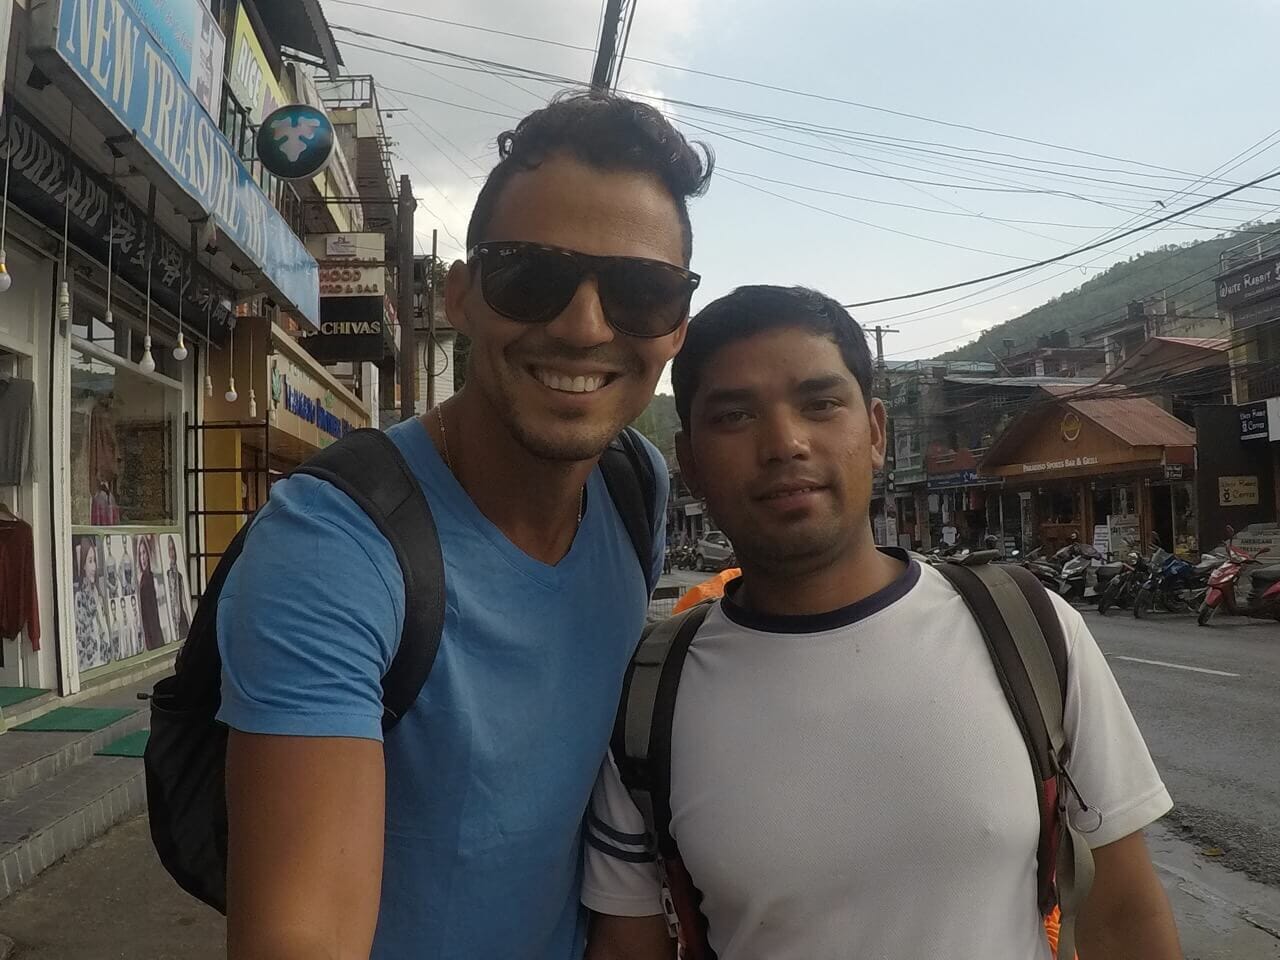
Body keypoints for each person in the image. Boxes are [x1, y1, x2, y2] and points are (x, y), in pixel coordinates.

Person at [217, 91, 711, 960]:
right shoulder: (333, 548)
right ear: (462, 296)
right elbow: (300, 933)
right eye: (532, 278)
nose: (584, 326)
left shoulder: (638, 485)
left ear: (675, 327)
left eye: (640, 291)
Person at [584, 286, 1181, 960]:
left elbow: (1123, 916)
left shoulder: (1028, 628)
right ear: (688, 462)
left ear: (873, 432)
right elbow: (627, 947)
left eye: (820, 404)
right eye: (735, 415)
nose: (785, 443)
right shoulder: (647, 697)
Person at [135, 536, 165, 651]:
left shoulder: (153, 579)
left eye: (144, 553)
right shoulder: (141, 581)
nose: (143, 558)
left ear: (148, 554)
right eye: (140, 554)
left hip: (156, 632)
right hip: (148, 635)